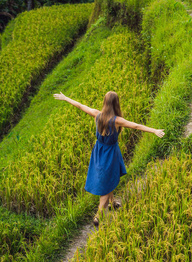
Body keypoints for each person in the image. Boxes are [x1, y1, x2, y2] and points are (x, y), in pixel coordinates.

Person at [53, 91, 165, 226]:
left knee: (108, 178)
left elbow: (80, 106)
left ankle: (112, 203)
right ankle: (98, 216)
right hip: (110, 154)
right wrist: (154, 130)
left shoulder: (97, 115)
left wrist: (66, 98)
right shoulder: (117, 120)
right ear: (116, 104)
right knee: (107, 183)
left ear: (105, 103)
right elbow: (136, 126)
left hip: (99, 152)